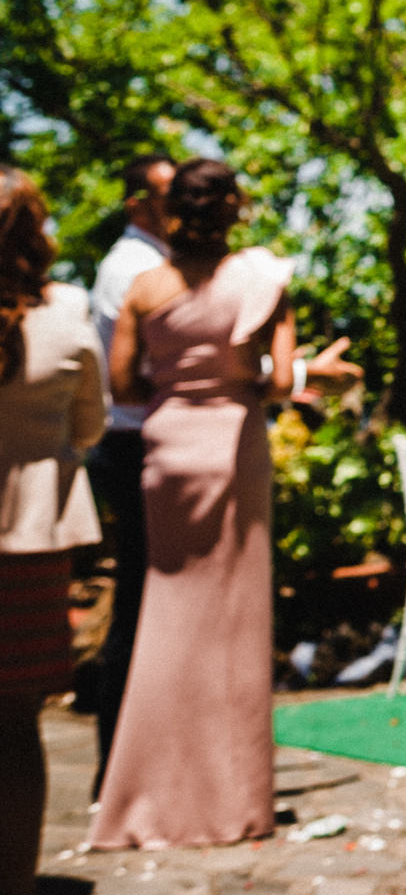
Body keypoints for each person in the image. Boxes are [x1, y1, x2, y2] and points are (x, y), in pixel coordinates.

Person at [87, 159, 295, 850]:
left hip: (168, 448)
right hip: (233, 445)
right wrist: (237, 382)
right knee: (235, 623)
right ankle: (235, 804)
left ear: (171, 207)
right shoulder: (264, 279)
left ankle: (143, 798)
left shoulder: (146, 286)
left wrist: (179, 385)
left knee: (164, 618)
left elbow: (121, 386)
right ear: (234, 206)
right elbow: (284, 382)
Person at [0, 170, 104, 895]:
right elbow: (90, 425)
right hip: (33, 534)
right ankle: (12, 882)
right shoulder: (68, 310)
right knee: (14, 720)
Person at [82, 150, 170, 792]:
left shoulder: (157, 265)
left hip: (152, 444)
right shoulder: (131, 270)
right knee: (138, 602)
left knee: (154, 604)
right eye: (172, 197)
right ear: (138, 203)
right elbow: (129, 384)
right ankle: (115, 765)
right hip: (134, 447)